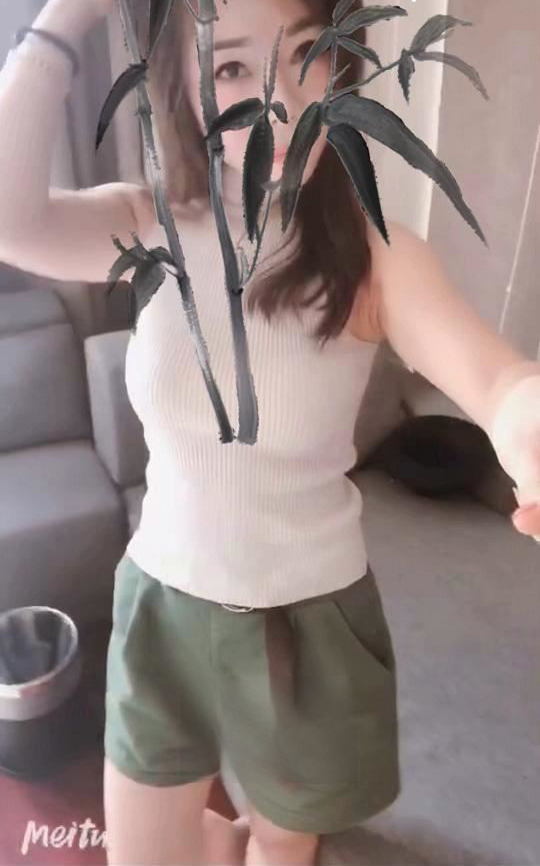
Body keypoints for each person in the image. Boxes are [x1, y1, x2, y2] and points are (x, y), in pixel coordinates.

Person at [1, 0, 539, 864]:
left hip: (307, 624)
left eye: (307, 55)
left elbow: (497, 378)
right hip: (163, 607)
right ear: (183, 92)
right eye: (230, 68)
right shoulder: (148, 227)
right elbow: (10, 217)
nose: (281, 103)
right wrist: (66, 18)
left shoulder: (375, 256)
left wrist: (524, 419)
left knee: (284, 851)